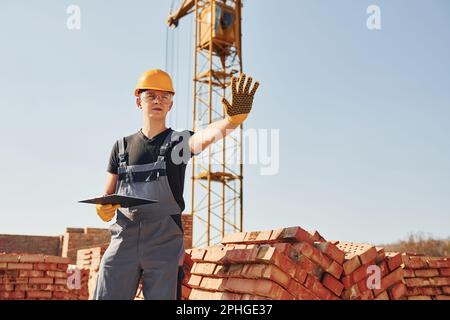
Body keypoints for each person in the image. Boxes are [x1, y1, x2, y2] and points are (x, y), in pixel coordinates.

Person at [93, 69, 260, 300]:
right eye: (151, 95)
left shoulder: (178, 143)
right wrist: (103, 208)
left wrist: (230, 121)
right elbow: (107, 194)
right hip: (124, 240)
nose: (158, 101)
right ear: (138, 101)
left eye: (165, 96)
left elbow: (205, 137)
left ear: (171, 104)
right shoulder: (121, 147)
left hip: (164, 243)